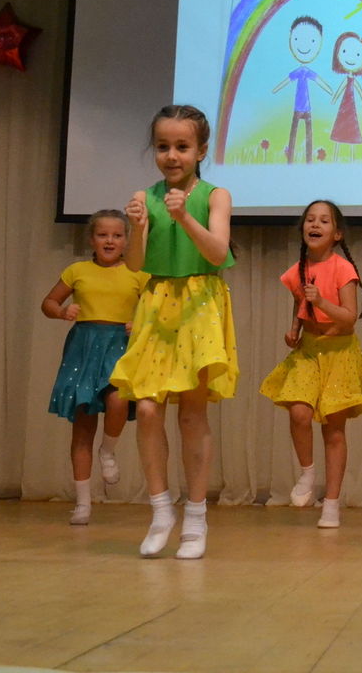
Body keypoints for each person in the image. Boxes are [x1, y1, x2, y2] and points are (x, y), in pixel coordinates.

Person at [110, 104, 238, 559]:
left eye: (182, 146)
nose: (172, 156)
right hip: (156, 303)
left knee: (191, 414)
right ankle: (161, 509)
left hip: (200, 303)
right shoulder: (144, 197)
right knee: (146, 409)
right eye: (163, 146)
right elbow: (135, 264)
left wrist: (184, 216)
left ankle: (196, 518)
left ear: (201, 150)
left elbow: (218, 252)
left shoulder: (215, 196)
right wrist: (137, 227)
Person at [259, 200, 362, 528]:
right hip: (309, 351)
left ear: (337, 234)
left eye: (324, 221)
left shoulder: (343, 269)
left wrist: (321, 300)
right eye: (310, 219)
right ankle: (308, 473)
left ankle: (332, 503)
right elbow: (300, 304)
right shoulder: (298, 269)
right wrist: (294, 329)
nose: (315, 224)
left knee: (334, 430)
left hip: (340, 354)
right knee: (298, 412)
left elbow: (349, 317)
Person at [42, 209, 148, 525]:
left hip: (119, 346)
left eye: (117, 235)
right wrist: (62, 312)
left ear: (127, 241)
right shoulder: (77, 270)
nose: (109, 241)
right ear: (92, 239)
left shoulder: (138, 273)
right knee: (83, 425)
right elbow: (48, 302)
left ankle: (108, 450)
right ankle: (83, 502)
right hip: (84, 348)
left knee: (118, 400)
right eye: (103, 235)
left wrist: (140, 323)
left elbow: (156, 310)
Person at [271, 15, 333, 164]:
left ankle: (309, 160)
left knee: (309, 136)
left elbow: (319, 81)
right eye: (297, 39)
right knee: (293, 134)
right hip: (297, 108)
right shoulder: (298, 72)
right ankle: (290, 160)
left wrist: (330, 91)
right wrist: (275, 90)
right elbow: (286, 81)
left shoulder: (308, 72)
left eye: (312, 41)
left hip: (307, 109)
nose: (304, 45)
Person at [327, 31, 362, 161]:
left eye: (358, 55)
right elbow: (340, 90)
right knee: (339, 127)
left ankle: (352, 158)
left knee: (352, 128)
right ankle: (335, 157)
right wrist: (334, 99)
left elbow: (360, 91)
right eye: (344, 51)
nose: (351, 58)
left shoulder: (354, 81)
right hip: (344, 107)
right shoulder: (347, 79)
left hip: (351, 108)